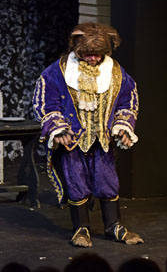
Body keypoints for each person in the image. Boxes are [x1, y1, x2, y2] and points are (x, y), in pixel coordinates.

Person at [32, 22, 143, 247]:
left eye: (97, 55)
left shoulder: (115, 72)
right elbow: (45, 100)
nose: (93, 59)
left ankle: (113, 226)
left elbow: (127, 99)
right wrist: (58, 128)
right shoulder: (58, 71)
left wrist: (122, 126)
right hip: (72, 140)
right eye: (88, 55)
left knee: (107, 181)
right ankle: (81, 228)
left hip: (102, 140)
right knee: (76, 182)